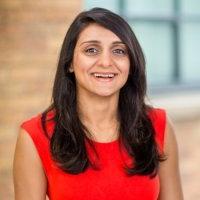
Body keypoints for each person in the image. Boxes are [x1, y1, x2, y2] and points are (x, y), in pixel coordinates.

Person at [13, 7, 183, 200]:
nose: (105, 62)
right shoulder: (35, 135)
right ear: (69, 63)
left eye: (119, 51)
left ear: (131, 63)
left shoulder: (158, 125)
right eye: (91, 50)